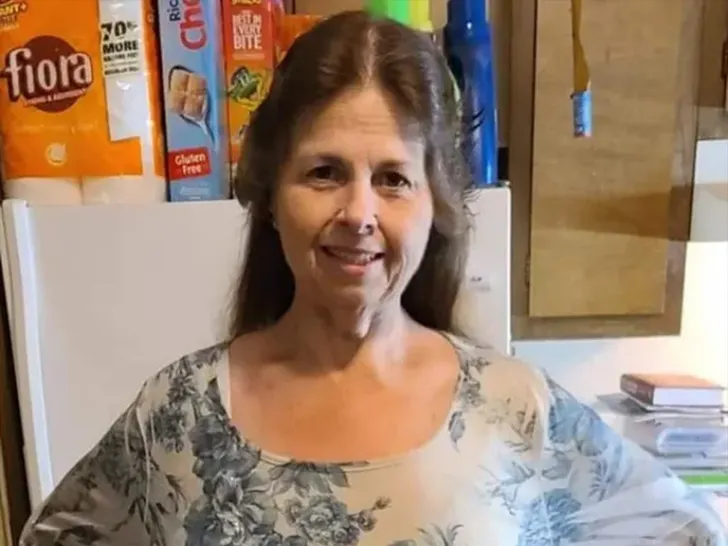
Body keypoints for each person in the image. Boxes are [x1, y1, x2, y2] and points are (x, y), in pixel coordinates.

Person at [20, 10, 726, 546]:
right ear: (271, 195)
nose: (359, 213)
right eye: (324, 172)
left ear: (433, 204)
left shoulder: (516, 411)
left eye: (392, 179)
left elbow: (689, 532)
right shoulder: (177, 415)